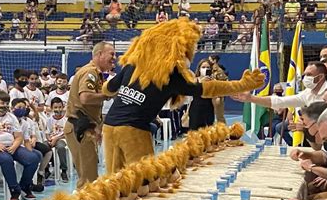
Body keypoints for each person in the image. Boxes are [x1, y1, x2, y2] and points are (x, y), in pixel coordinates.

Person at [101, 18, 264, 174]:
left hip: (109, 127)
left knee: (115, 181)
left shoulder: (132, 65)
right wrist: (242, 85)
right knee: (144, 181)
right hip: (134, 131)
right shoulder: (170, 75)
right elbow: (208, 88)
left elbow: (108, 88)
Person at [233, 61, 327, 145]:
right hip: (314, 139)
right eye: (304, 74)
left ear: (321, 77)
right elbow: (280, 101)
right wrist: (251, 98)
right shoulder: (307, 93)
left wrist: (306, 127)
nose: (305, 78)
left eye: (309, 75)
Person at [65, 42, 115, 189]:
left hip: (86, 126)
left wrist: (97, 127)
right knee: (88, 179)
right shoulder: (90, 73)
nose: (114, 58)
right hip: (80, 128)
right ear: (99, 54)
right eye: (111, 54)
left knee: (89, 175)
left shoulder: (95, 73)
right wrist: (107, 95)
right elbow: (85, 98)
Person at [0, 91, 39, 200]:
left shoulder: (12, 117)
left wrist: (14, 146)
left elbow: (19, 136)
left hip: (12, 146)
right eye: (2, 103)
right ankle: (14, 191)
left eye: (7, 103)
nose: (5, 106)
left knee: (33, 158)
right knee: (7, 160)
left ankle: (24, 186)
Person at [46, 97, 68, 182]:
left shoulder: (66, 119)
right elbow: (47, 132)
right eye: (55, 107)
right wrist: (49, 139)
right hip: (52, 138)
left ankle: (63, 170)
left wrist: (56, 138)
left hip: (62, 139)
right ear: (51, 108)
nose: (58, 109)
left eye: (60, 107)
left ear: (63, 107)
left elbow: (67, 134)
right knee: (44, 146)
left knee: (61, 147)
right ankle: (46, 169)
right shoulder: (49, 120)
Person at [188, 59, 215, 130]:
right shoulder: (194, 79)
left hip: (208, 108)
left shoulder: (213, 81)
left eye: (208, 67)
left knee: (209, 131)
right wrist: (200, 83)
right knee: (194, 132)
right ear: (199, 69)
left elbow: (216, 95)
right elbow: (190, 91)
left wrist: (214, 83)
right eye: (203, 67)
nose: (205, 69)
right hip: (196, 109)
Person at [208, 54, 228, 123]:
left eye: (210, 60)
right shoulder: (210, 70)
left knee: (219, 116)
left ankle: (224, 132)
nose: (208, 61)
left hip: (217, 97)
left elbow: (223, 84)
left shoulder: (219, 71)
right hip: (211, 95)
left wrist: (219, 97)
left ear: (214, 61)